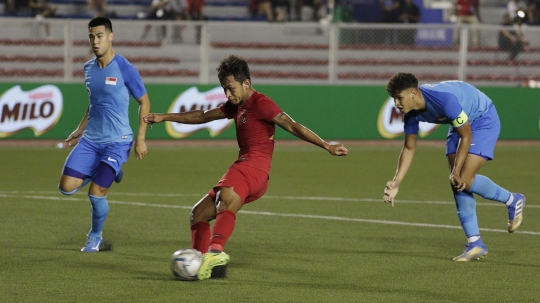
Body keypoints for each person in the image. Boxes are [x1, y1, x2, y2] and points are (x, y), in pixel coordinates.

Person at [143, 55, 348, 280]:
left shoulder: (262, 104)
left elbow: (292, 125)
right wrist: (164, 117)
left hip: (254, 167)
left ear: (246, 83)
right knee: (198, 214)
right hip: (246, 166)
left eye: (231, 88)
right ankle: (203, 264)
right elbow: (202, 116)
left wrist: (326, 146)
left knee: (226, 199)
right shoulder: (236, 106)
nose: (228, 95)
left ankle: (215, 251)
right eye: (224, 89)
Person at [382, 73, 526, 262]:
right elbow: (409, 147)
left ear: (413, 93)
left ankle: (512, 199)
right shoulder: (410, 114)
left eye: (399, 98)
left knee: (463, 178)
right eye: (394, 99)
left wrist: (456, 171)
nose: (397, 103)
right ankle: (475, 244)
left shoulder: (444, 101)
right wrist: (396, 182)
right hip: (459, 122)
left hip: (482, 119)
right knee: (457, 182)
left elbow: (466, 136)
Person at [58, 17, 151, 253]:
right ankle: (110, 170)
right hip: (91, 140)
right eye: (91, 36)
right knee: (66, 187)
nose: (95, 41)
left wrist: (140, 138)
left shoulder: (125, 68)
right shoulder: (88, 69)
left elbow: (144, 101)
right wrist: (79, 130)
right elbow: (94, 104)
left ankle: (95, 237)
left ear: (111, 36)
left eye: (99, 36)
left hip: (117, 142)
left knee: (96, 193)